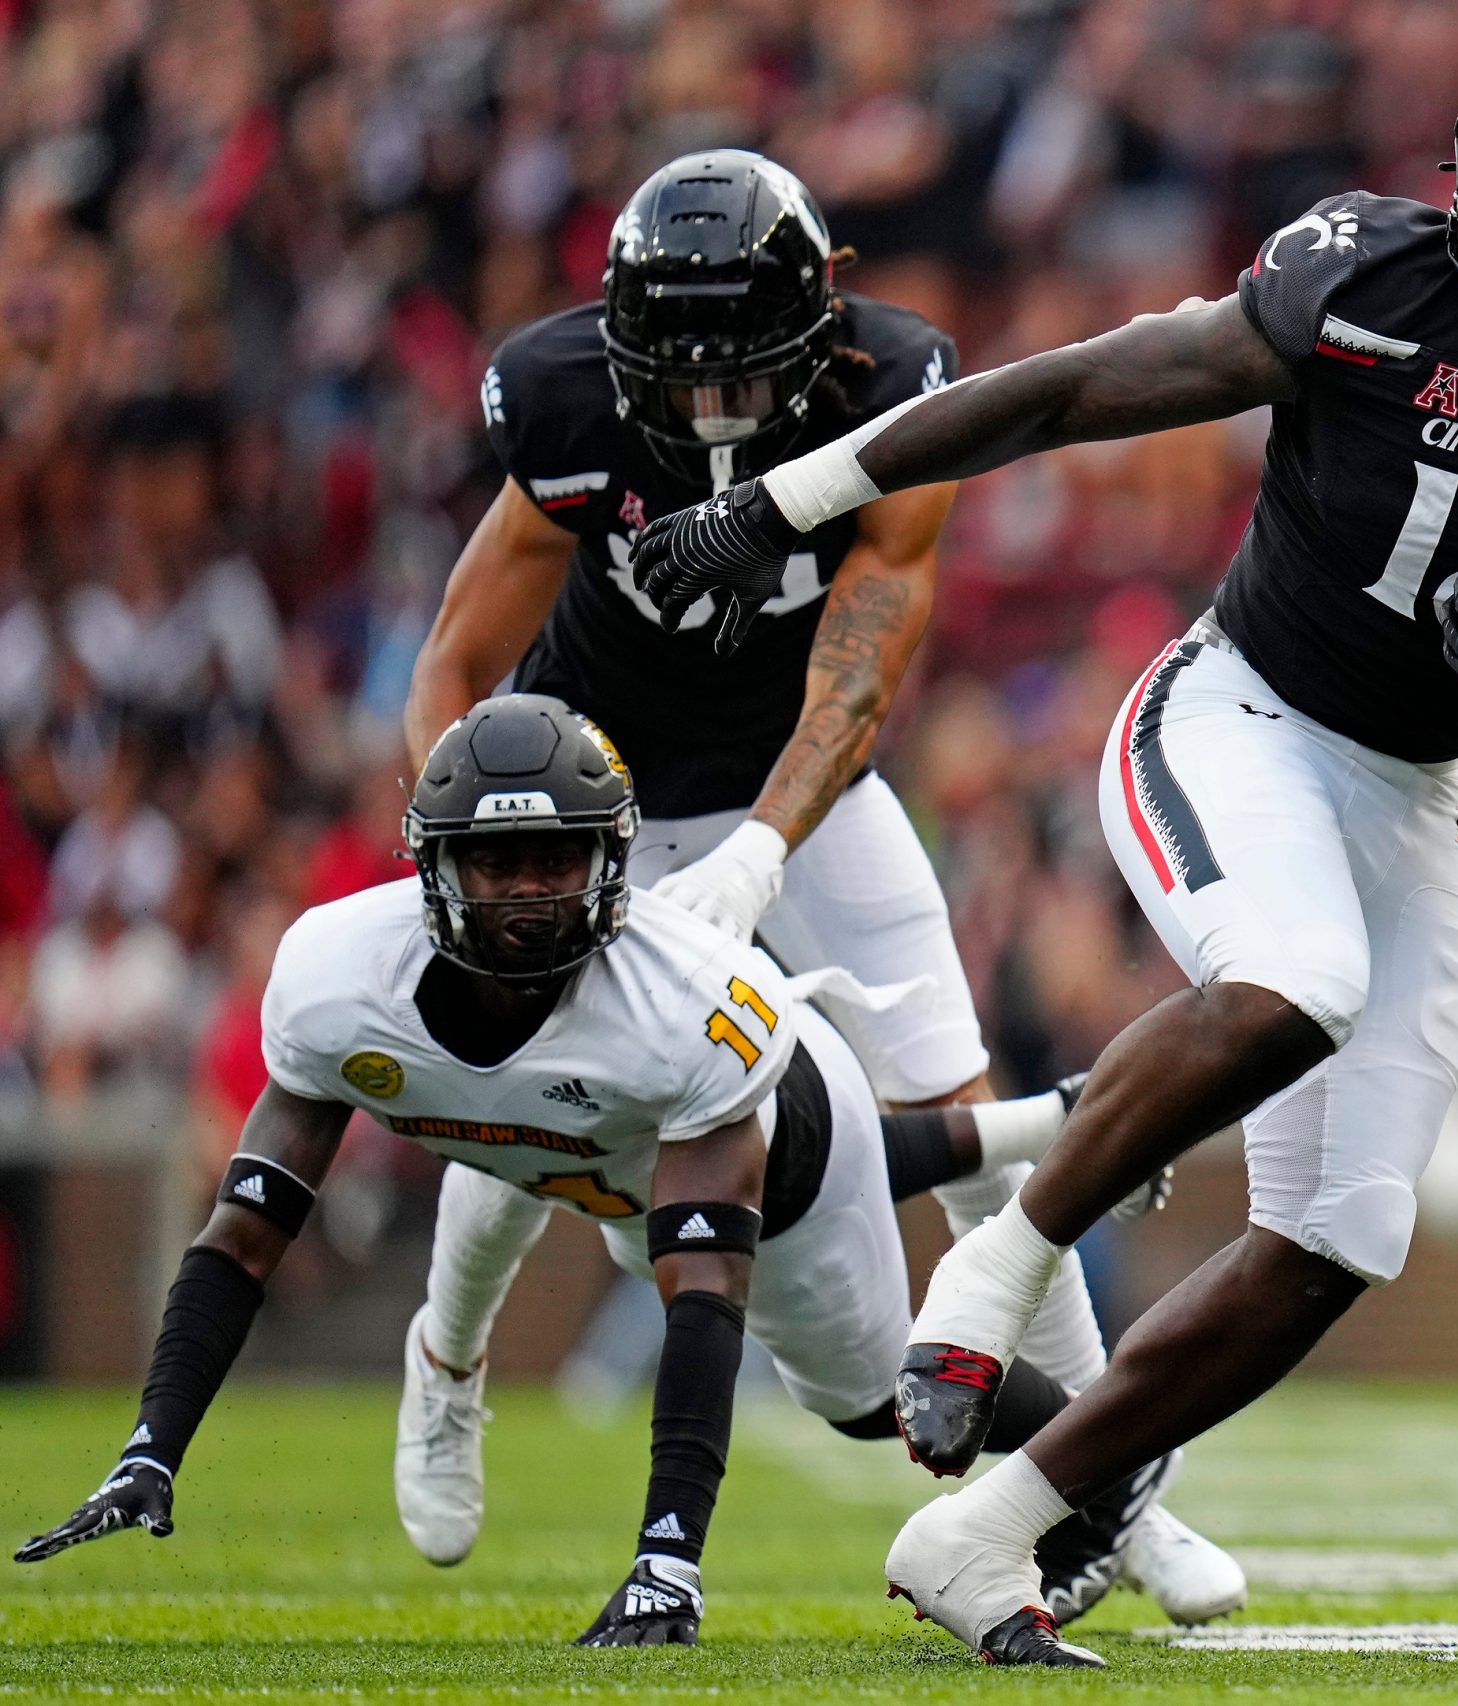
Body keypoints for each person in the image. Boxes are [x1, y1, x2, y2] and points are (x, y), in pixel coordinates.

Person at [632, 28, 1458, 1667]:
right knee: (1297, 977)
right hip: (1237, 709)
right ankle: (996, 1275)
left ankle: (993, 1527)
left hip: (1409, 788)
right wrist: (790, 500)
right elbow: (1074, 389)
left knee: (1348, 1231)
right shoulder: (1366, 274)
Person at [396, 151, 1226, 1622]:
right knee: (520, 1091)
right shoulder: (570, 399)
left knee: (964, 1108)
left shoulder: (897, 386)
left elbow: (868, 655)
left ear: (822, 330)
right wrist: (455, 834)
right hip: (595, 790)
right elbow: (459, 660)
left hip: (805, 782)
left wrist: (765, 844)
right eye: (683, 375)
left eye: (744, 377)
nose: (712, 410)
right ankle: (447, 1370)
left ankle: (1112, 1472)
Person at [10, 697, 1188, 1654]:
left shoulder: (679, 1002)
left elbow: (704, 1288)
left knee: (869, 1398)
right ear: (434, 870)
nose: (529, 889)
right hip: (581, 1143)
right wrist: (150, 1445)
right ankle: (447, 1359)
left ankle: (1108, 1441)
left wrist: (664, 1561)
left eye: (555, 857)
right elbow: (242, 1235)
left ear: (612, 857)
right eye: (497, 861)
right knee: (505, 1142)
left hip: (771, 1134)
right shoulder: (337, 973)